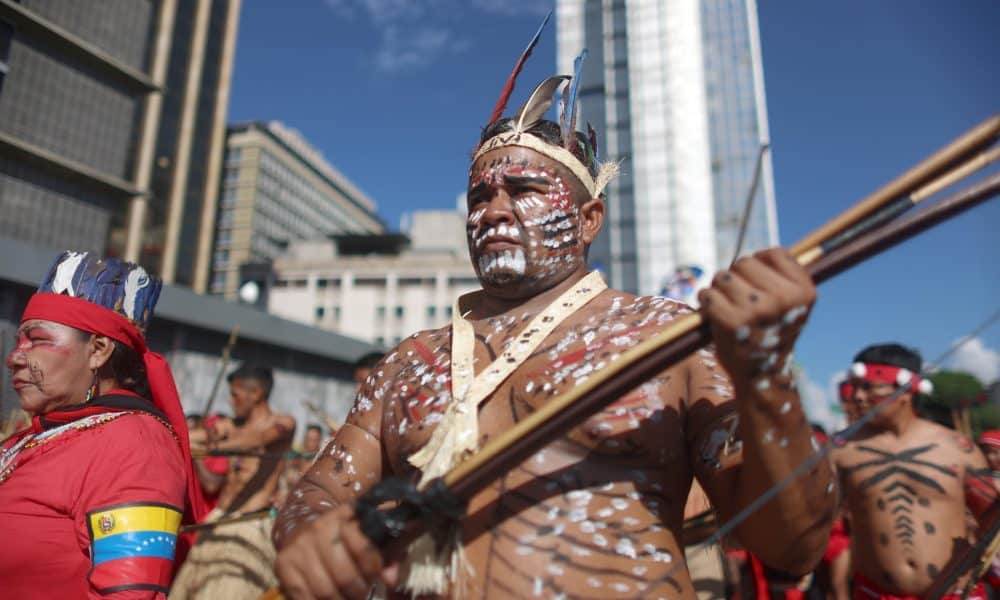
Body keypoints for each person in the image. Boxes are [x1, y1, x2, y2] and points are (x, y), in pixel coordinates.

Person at [272, 41, 835, 599]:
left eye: (523, 189)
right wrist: (311, 535)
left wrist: (767, 381)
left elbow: (792, 546)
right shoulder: (411, 361)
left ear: (590, 219)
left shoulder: (669, 339)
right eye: (478, 196)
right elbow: (319, 490)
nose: (491, 211)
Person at [0, 251, 205, 597]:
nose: (14, 358)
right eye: (20, 341)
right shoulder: (31, 438)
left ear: (98, 349)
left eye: (38, 340)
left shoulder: (134, 445)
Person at [832, 343, 997, 599]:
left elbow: (990, 517)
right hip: (875, 593)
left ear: (905, 391)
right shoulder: (841, 450)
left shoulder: (957, 448)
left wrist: (974, 558)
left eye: (869, 387)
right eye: (854, 387)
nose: (857, 397)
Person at [170, 365, 295, 599]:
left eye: (235, 394)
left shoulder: (283, 424)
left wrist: (214, 448)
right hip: (219, 520)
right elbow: (189, 436)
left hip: (249, 524)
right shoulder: (230, 425)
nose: (230, 400)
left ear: (256, 394)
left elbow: (257, 440)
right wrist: (169, 433)